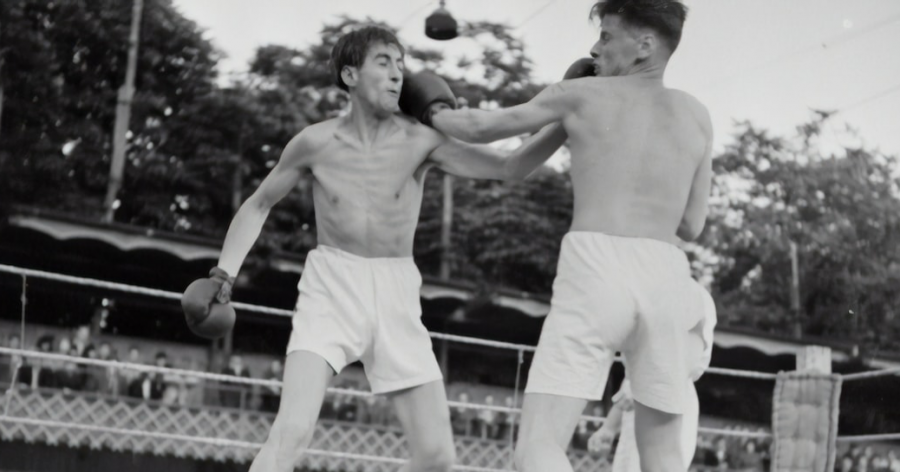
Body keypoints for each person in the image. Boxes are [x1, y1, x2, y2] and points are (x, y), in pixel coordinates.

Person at [180, 25, 565, 472]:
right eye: (384, 62)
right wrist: (223, 272)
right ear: (349, 75)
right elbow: (259, 203)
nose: (397, 74)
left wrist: (565, 120)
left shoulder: (421, 139)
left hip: (396, 290)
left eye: (401, 65)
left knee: (437, 455)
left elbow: (511, 167)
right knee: (292, 432)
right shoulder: (315, 142)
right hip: (331, 287)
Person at [431, 1, 712, 471]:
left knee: (538, 447)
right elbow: (691, 225)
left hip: (597, 267)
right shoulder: (698, 115)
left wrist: (431, 107)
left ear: (645, 44)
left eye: (607, 36)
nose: (595, 48)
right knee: (663, 456)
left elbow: (480, 128)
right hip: (668, 276)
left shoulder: (580, 94)